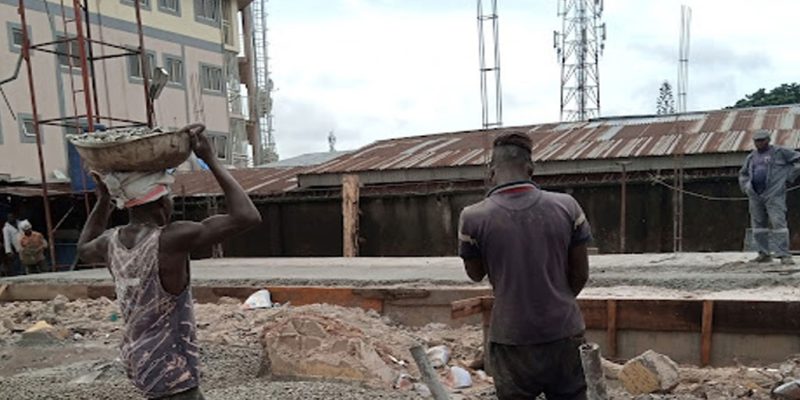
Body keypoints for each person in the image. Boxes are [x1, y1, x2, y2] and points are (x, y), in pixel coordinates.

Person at [77, 124, 262, 400]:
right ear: (162, 203)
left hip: (139, 361)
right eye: (170, 197)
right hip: (171, 370)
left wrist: (103, 199)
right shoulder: (171, 239)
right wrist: (209, 159)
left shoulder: (110, 242)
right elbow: (247, 216)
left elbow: (82, 248)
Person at [458, 132, 591, 400]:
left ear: (492, 172)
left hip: (511, 338)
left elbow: (475, 274)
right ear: (530, 169)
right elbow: (580, 274)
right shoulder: (568, 207)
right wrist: (556, 302)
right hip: (564, 332)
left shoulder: (473, 217)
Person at [739, 129, 800, 265]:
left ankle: (784, 255)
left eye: (761, 140)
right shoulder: (751, 157)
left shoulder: (780, 152)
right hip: (755, 195)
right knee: (758, 225)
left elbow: (798, 160)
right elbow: (743, 173)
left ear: (768, 140)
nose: (758, 143)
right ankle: (763, 254)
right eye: (756, 141)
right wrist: (746, 187)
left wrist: (790, 175)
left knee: (778, 223)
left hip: (774, 193)